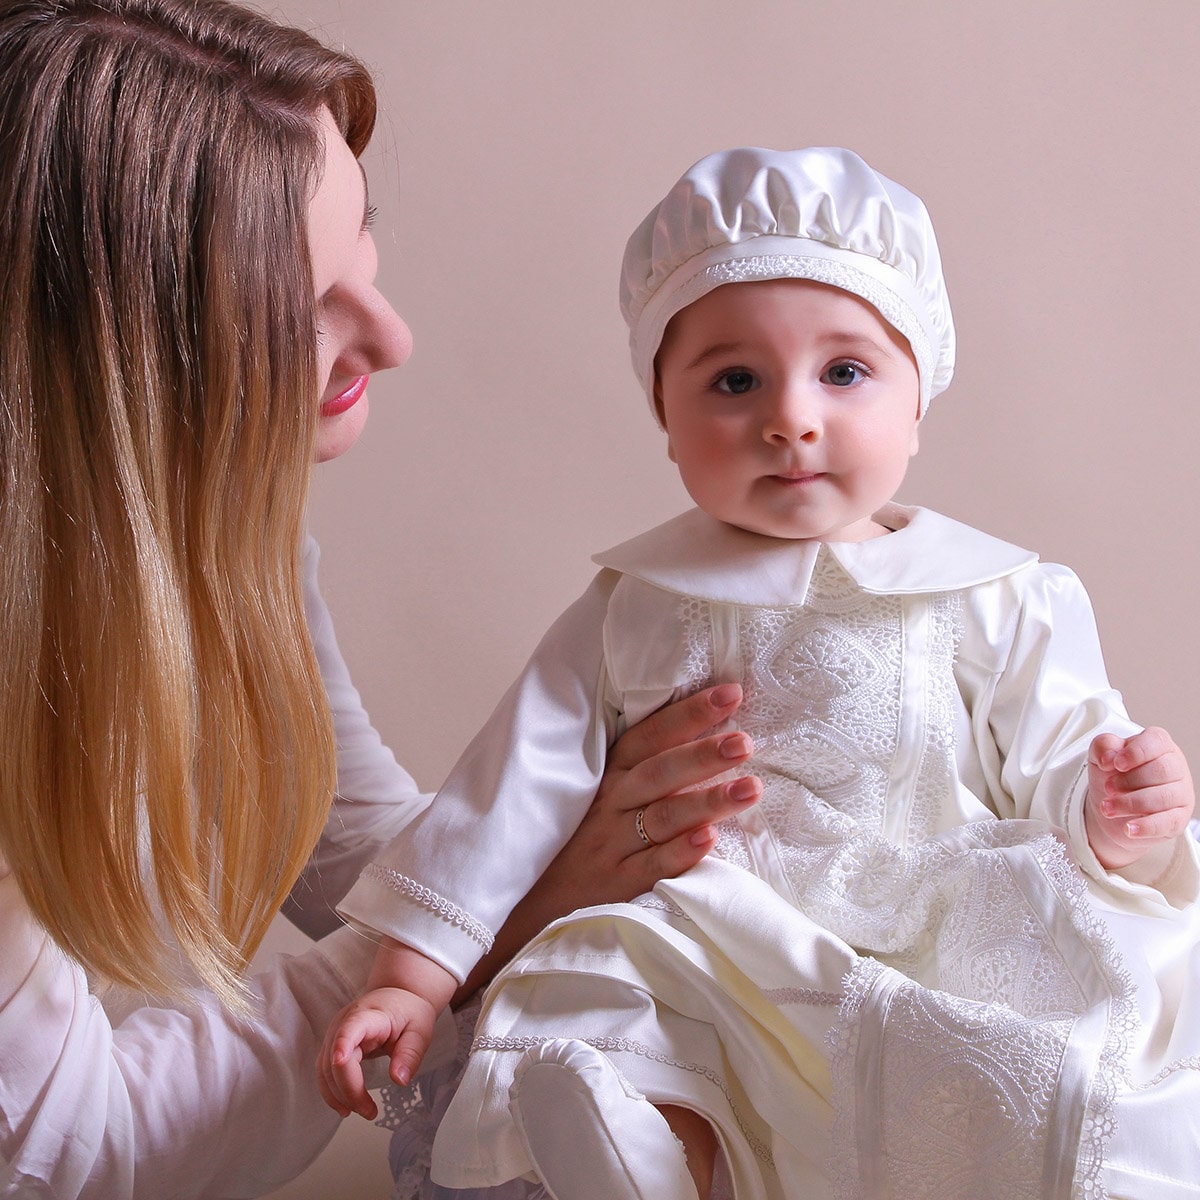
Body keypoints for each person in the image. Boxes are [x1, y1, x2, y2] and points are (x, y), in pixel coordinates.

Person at [321, 146, 1200, 1199]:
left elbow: (1059, 755)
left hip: (923, 911)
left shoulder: (996, 593)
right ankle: (642, 1154)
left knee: (1022, 1050)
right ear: (666, 422)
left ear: (919, 399)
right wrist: (411, 979)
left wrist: (1114, 813)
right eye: (735, 381)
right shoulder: (634, 607)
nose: (792, 416)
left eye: (845, 372)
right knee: (600, 987)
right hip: (709, 925)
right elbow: (506, 794)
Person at [0, 4, 753, 1196]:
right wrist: (482, 923)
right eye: (303, 311)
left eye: (369, 249)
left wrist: (538, 839)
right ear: (112, 369)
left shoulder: (216, 541)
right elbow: (71, 1154)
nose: (392, 337)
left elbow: (340, 839)